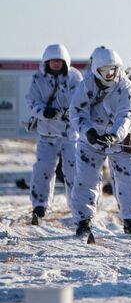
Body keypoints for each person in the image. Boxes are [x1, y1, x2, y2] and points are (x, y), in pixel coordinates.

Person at [69, 46, 131, 236]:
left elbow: (127, 114)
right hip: (91, 140)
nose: (109, 74)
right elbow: (77, 112)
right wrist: (88, 132)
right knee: (86, 178)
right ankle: (83, 220)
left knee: (128, 177)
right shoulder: (86, 86)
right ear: (96, 70)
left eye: (113, 69)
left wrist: (115, 135)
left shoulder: (125, 86)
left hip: (119, 140)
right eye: (104, 70)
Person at [26, 44, 83, 224]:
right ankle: (39, 204)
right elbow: (31, 101)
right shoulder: (38, 79)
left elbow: (81, 100)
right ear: (46, 62)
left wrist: (70, 112)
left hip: (70, 134)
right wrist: (44, 111)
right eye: (53, 61)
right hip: (47, 134)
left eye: (59, 61)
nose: (56, 64)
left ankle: (77, 205)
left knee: (74, 171)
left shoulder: (75, 78)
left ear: (65, 62)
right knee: (43, 169)